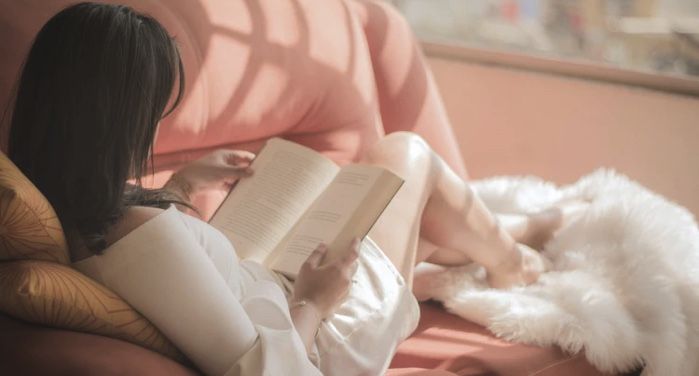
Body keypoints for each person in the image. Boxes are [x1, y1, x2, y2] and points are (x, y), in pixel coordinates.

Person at [7, 3, 578, 375]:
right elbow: (264, 369)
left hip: (275, 294)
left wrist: (183, 183)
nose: (157, 127)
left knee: (398, 217)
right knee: (404, 155)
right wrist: (315, 299)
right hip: (324, 343)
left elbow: (157, 271)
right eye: (155, 113)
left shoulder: (65, 194)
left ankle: (513, 233)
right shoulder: (138, 238)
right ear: (118, 120)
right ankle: (514, 264)